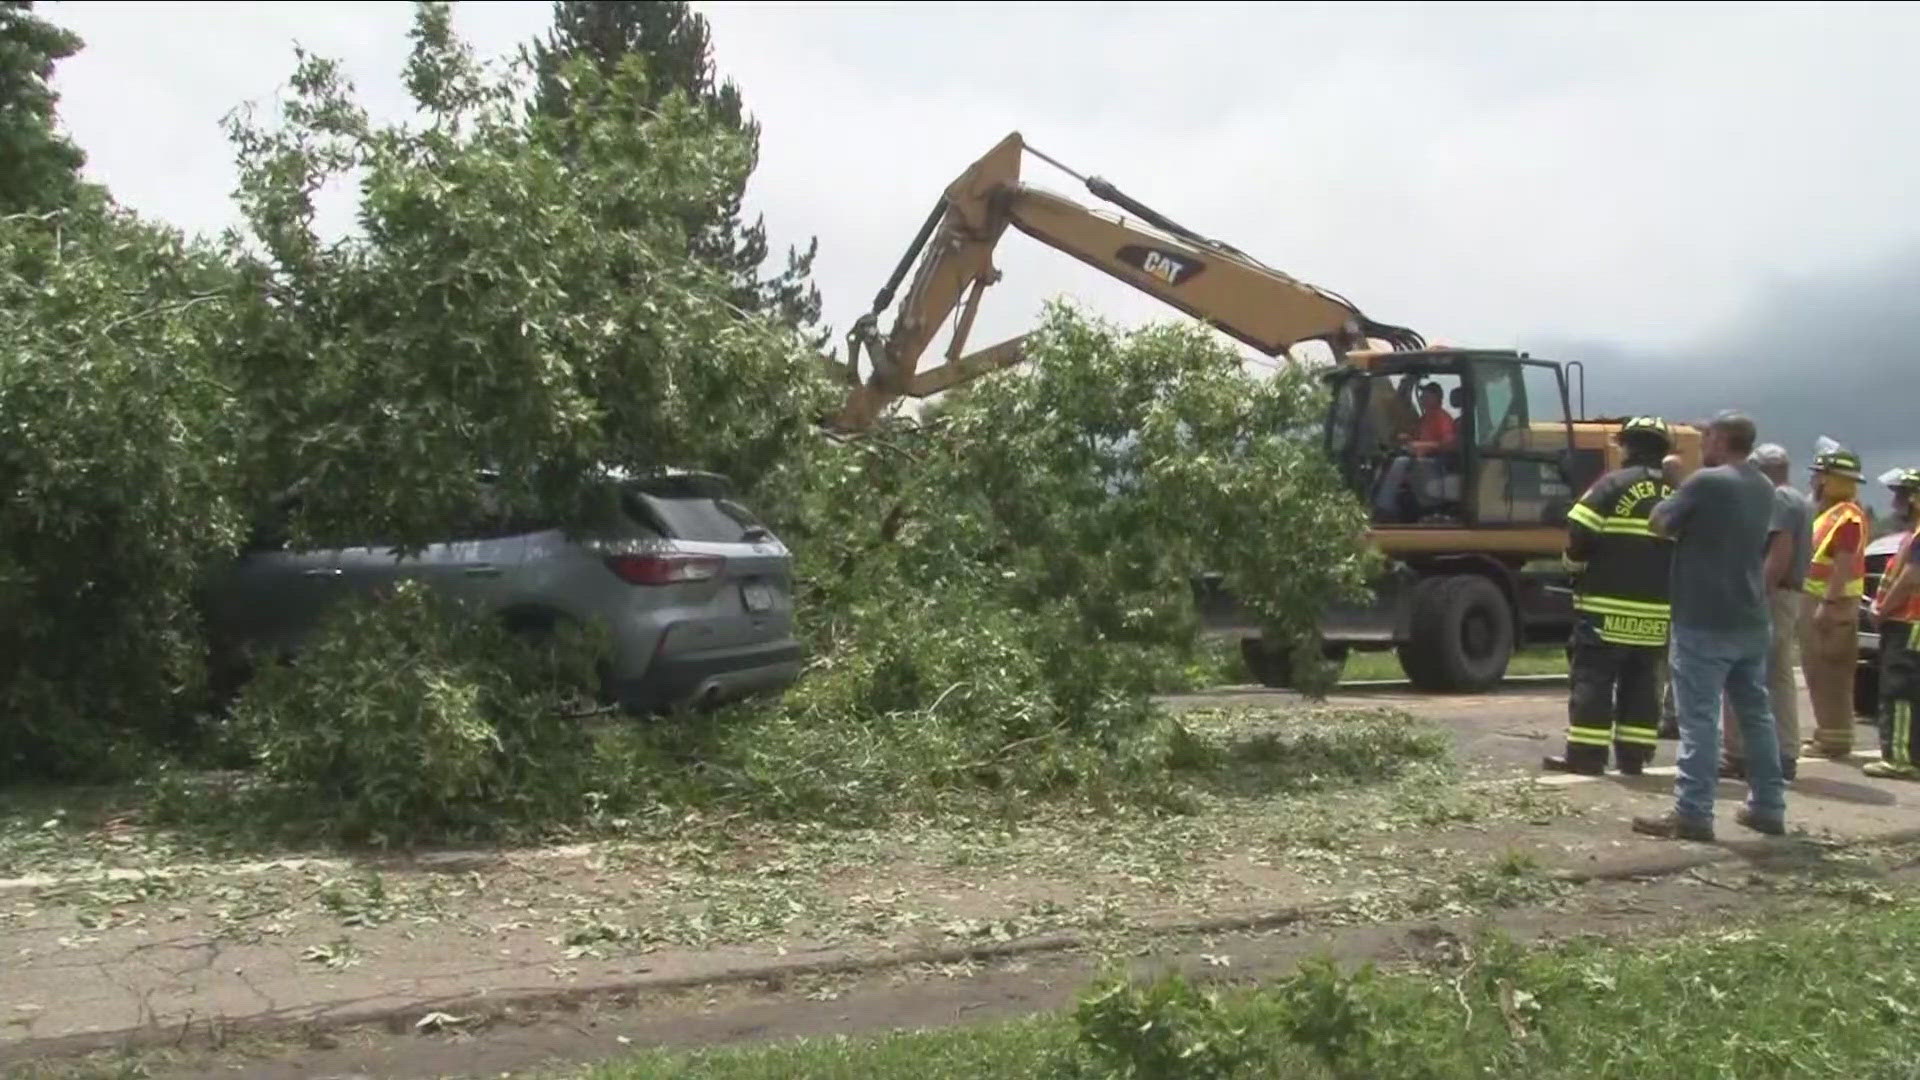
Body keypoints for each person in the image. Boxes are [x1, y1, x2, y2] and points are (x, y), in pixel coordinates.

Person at [1632, 411, 1786, 842]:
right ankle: (1768, 807)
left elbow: (1659, 522)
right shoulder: (1764, 486)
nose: (1702, 443)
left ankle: (1693, 814)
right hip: (1750, 617)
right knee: (1755, 715)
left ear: (1721, 439)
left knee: (1698, 720)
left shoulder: (1705, 481)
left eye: (1707, 436)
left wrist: (1674, 478)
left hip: (1703, 618)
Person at [1543, 417, 1675, 777]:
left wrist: (1572, 565)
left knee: (1594, 680)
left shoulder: (1613, 484)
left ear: (1629, 446)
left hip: (1605, 609)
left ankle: (1586, 756)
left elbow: (1579, 531)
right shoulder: (1677, 493)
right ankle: (1633, 757)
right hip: (1657, 612)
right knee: (1643, 683)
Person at [1719, 443, 1814, 782]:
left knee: (1756, 674)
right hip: (1787, 594)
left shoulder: (1778, 499)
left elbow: (1779, 551)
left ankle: (1753, 754)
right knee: (1777, 675)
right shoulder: (1798, 499)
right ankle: (1777, 752)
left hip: (1773, 595)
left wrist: (1755, 592)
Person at [1799, 446, 1868, 759]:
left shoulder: (1848, 517)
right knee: (1817, 670)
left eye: (1819, 475)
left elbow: (1843, 561)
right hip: (1821, 598)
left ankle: (1835, 740)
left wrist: (1827, 602)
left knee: (1831, 672)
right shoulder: (1829, 514)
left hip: (1832, 603)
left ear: (1830, 480)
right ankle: (1827, 734)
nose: (1814, 481)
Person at [1864, 467, 1920, 780]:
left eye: (1903, 493)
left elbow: (1911, 578)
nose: (1897, 500)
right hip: (1909, 622)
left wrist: (1882, 609)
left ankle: (1898, 758)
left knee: (1898, 691)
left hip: (1908, 622)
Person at [1372, 382, 1457, 521]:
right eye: (1423, 394)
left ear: (1436, 398)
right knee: (1388, 458)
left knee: (1401, 462)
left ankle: (1384, 507)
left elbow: (1450, 444)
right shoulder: (1424, 419)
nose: (1423, 397)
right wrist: (1406, 438)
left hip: (1437, 463)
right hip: (1421, 460)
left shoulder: (1442, 418)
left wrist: (1424, 446)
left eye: (1427, 394)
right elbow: (1416, 438)